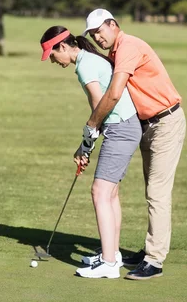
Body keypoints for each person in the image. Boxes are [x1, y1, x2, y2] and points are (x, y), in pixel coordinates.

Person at [77, 8, 187, 280]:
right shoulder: (115, 52)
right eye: (92, 35)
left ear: (113, 25)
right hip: (146, 125)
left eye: (99, 32)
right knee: (150, 190)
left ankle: (155, 259)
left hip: (165, 121)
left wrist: (91, 126)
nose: (98, 38)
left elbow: (114, 94)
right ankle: (147, 251)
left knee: (157, 194)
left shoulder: (129, 46)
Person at [40, 26, 142, 279]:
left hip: (120, 128)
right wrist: (88, 142)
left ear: (62, 47)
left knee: (100, 192)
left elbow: (99, 106)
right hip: (124, 127)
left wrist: (87, 141)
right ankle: (113, 254)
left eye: (52, 55)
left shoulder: (85, 65)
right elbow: (98, 112)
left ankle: (108, 264)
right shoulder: (89, 59)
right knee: (111, 193)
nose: (53, 61)